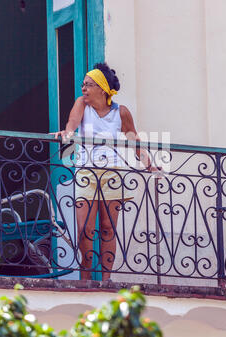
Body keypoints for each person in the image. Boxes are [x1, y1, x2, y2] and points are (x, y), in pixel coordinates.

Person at [55, 63, 159, 281]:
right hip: (86, 173)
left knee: (107, 228)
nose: (84, 88)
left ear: (102, 88)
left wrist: (150, 165)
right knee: (85, 228)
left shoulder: (121, 113)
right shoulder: (82, 105)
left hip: (113, 175)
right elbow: (72, 122)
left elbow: (134, 141)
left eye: (89, 85)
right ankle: (85, 276)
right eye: (83, 84)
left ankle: (106, 279)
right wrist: (67, 133)